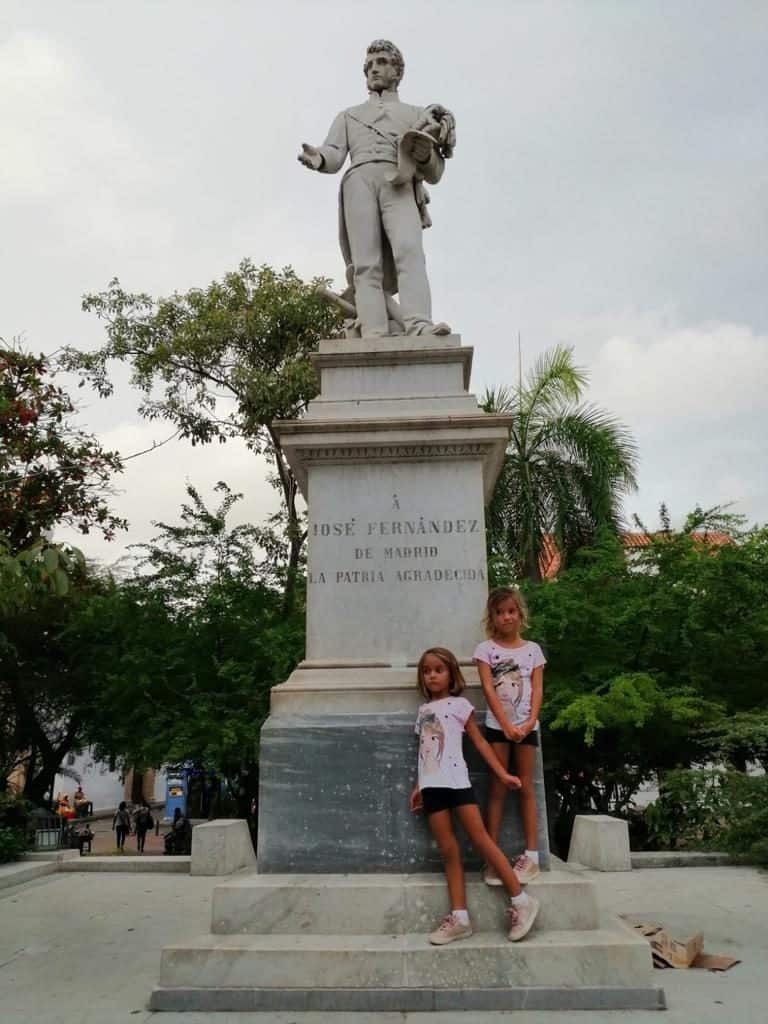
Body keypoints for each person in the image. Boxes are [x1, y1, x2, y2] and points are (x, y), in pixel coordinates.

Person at [298, 39, 455, 338]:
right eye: (369, 65)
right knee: (366, 264)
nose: (374, 69)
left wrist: (425, 155)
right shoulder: (348, 115)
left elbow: (435, 172)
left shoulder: (416, 114)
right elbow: (334, 154)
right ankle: (373, 331)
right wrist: (318, 158)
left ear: (397, 71)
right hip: (358, 182)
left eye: (382, 62)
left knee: (410, 251)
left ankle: (419, 324)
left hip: (399, 181)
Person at [410, 647, 540, 944]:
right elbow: (425, 751)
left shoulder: (460, 706)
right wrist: (419, 785)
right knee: (448, 850)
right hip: (432, 787)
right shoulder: (423, 712)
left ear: (451, 675)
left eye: (438, 670)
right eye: (427, 671)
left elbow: (481, 743)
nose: (432, 676)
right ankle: (460, 918)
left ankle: (521, 901)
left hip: (457, 784)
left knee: (481, 841)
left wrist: (502, 774)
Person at [474, 587, 546, 887]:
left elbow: (538, 688)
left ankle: (532, 856)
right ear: (492, 617)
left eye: (511, 611)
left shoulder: (533, 650)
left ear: (520, 614)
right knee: (498, 788)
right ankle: (493, 858)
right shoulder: (485, 650)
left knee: (525, 786)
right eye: (500, 612)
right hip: (498, 727)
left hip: (526, 727)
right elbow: (488, 689)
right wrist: (505, 725)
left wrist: (529, 722)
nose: (506, 617)